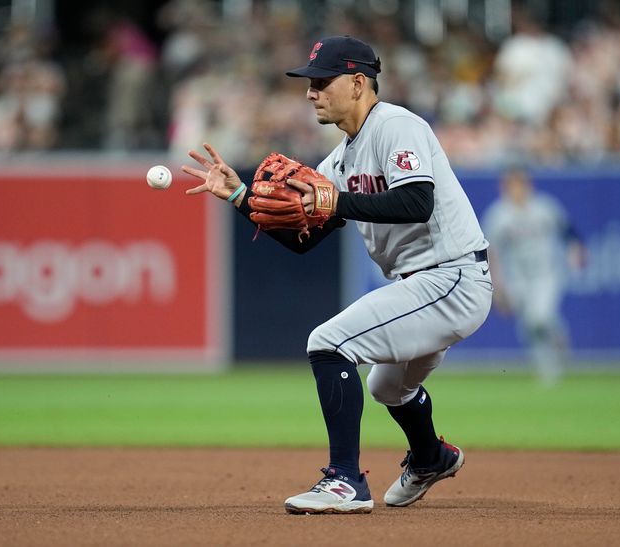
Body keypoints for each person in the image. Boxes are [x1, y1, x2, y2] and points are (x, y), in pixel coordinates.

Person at [182, 36, 492, 514]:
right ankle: (432, 457)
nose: (311, 92)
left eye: (322, 81)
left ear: (358, 82)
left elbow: (417, 202)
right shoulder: (341, 160)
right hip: (421, 283)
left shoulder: (397, 125)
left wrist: (336, 201)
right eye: (310, 83)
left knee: (328, 342)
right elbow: (302, 240)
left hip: (452, 276)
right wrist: (240, 196)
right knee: (387, 387)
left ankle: (346, 481)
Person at [482, 167, 584, 386]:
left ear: (529, 185)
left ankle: (557, 336)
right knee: (528, 325)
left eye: (520, 184)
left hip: (547, 273)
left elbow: (568, 232)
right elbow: (492, 253)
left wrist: (576, 251)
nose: (516, 190)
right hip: (517, 277)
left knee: (540, 317)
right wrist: (497, 287)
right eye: (511, 185)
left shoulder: (544, 207)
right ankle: (547, 368)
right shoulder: (499, 214)